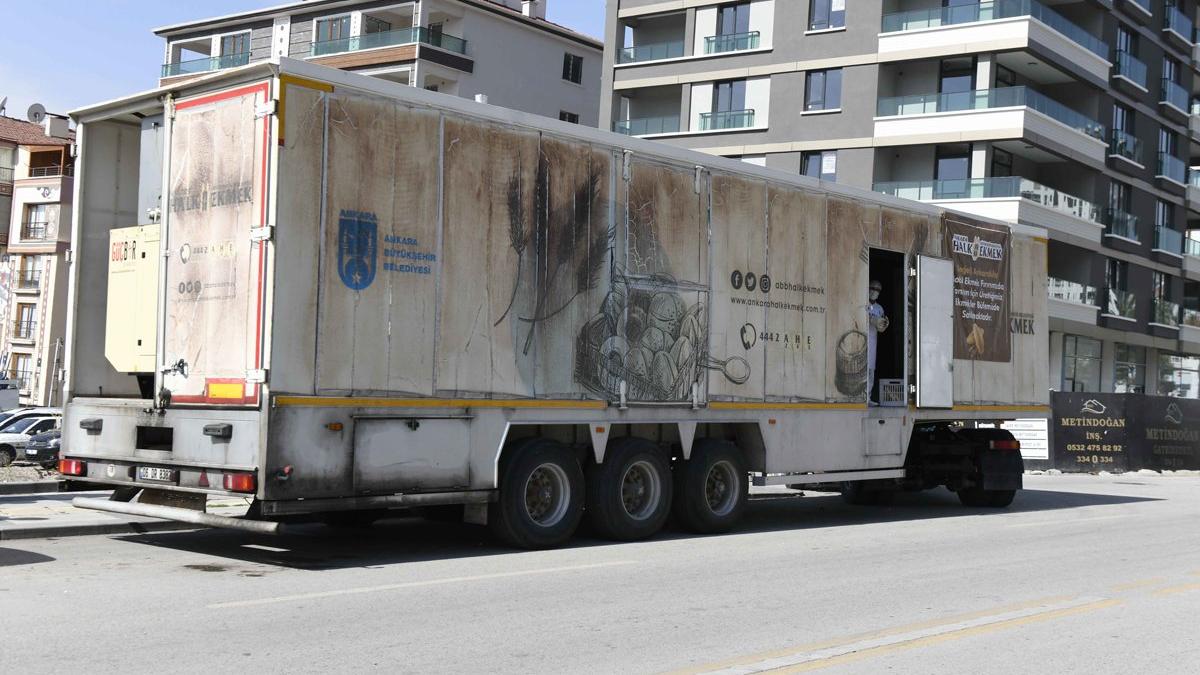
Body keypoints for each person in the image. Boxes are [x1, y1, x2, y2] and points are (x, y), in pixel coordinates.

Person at [867, 279, 888, 405]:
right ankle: (860, 397)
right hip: (860, 341)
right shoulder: (862, 303)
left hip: (873, 342)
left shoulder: (879, 308)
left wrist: (884, 324)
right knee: (861, 370)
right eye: (873, 288)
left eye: (878, 290)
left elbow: (882, 326)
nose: (875, 291)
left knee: (870, 370)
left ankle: (868, 398)